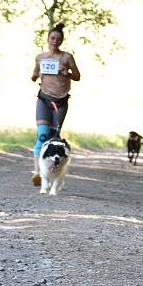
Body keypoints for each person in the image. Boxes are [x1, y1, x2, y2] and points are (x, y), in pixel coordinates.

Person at [30, 23, 81, 186]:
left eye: (58, 39)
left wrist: (68, 73)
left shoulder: (67, 57)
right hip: (44, 100)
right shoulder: (40, 57)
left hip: (61, 101)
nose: (55, 41)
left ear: (62, 41)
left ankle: (55, 172)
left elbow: (78, 76)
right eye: (52, 38)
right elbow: (34, 74)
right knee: (43, 135)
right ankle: (38, 173)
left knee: (54, 136)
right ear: (48, 39)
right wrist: (35, 75)